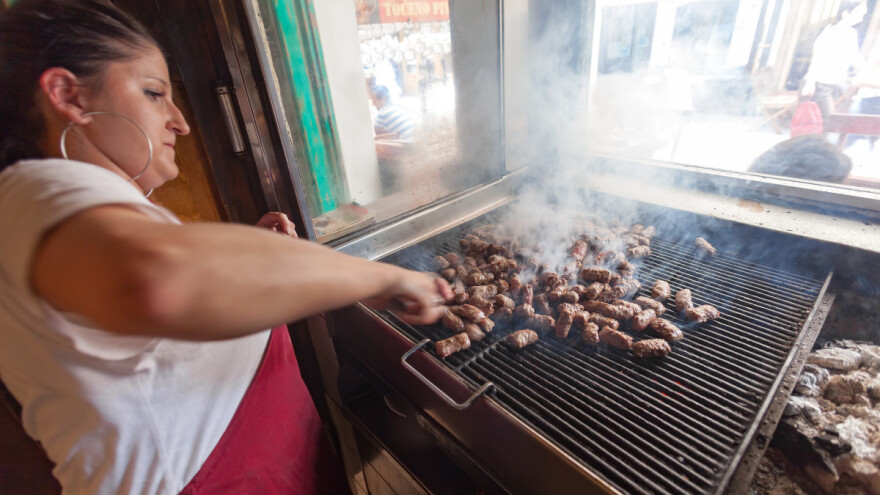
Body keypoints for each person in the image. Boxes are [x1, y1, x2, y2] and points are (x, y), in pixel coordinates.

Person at [0, 1, 451, 494]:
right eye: (154, 93)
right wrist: (383, 278)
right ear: (68, 96)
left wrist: (251, 252)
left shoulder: (63, 210)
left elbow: (150, 337)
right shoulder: (34, 195)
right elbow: (160, 282)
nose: (180, 122)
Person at [800, 0, 868, 117]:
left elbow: (856, 60)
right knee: (824, 120)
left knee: (827, 120)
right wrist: (810, 82)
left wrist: (869, 70)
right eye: (859, 11)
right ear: (846, 13)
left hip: (832, 85)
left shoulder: (850, 33)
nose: (863, 14)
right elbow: (817, 58)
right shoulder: (832, 32)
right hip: (819, 85)